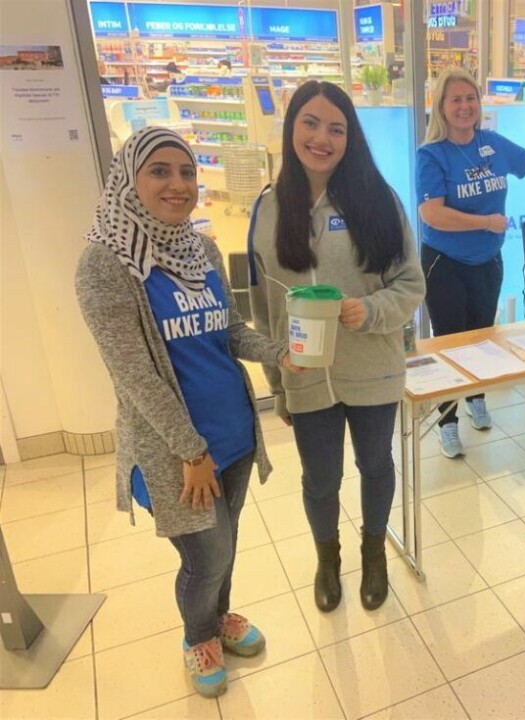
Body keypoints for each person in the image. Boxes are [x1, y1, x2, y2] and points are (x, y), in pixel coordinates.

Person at [75, 127, 297, 698]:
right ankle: (198, 636)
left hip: (235, 430)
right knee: (206, 552)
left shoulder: (198, 249)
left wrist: (279, 354)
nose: (179, 185)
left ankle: (220, 619)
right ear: (130, 178)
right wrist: (190, 450)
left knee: (227, 541)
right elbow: (134, 377)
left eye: (187, 172)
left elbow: (228, 333)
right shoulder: (105, 263)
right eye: (160, 171)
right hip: (177, 448)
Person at [248, 81, 424, 613]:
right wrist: (278, 384)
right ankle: (328, 559)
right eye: (310, 123)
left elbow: (411, 284)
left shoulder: (378, 199)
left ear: (350, 137)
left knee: (376, 464)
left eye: (336, 128)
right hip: (305, 377)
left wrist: (367, 310)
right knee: (320, 479)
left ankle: (375, 553)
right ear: (291, 127)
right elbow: (266, 307)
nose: (322, 138)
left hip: (372, 369)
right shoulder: (269, 209)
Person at [417, 67, 525, 459]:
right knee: (450, 345)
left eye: (470, 98)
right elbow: (432, 214)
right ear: (441, 106)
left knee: (480, 338)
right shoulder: (432, 155)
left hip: (487, 262)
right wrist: (486, 223)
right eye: (455, 99)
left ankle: (476, 396)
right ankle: (447, 419)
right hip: (445, 263)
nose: (464, 106)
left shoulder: (490, 143)